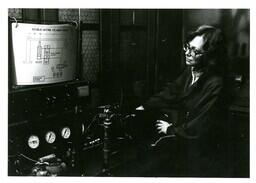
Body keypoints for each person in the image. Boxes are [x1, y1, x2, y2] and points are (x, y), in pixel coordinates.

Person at [135, 25, 229, 176]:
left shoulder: (216, 84)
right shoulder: (191, 71)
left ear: (210, 56)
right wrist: (145, 106)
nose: (187, 53)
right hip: (184, 140)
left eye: (195, 51)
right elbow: (171, 92)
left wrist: (171, 130)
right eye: (188, 47)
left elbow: (201, 124)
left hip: (201, 152)